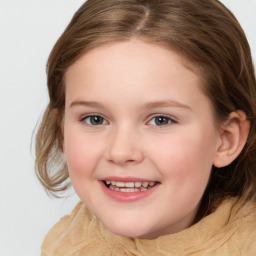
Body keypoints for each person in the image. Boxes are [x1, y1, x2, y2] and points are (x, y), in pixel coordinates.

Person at [36, 0, 256, 255]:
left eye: (161, 120)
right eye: (95, 119)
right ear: (62, 132)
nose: (120, 152)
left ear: (226, 139)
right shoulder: (63, 244)